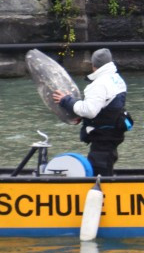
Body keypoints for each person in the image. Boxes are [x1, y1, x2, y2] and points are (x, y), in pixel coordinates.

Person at [53, 49, 128, 177]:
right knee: (107, 159)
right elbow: (106, 106)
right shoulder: (116, 79)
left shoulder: (99, 84)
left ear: (94, 65)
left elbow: (90, 111)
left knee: (99, 167)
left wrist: (66, 101)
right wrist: (81, 114)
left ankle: (102, 191)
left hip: (102, 136)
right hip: (114, 132)